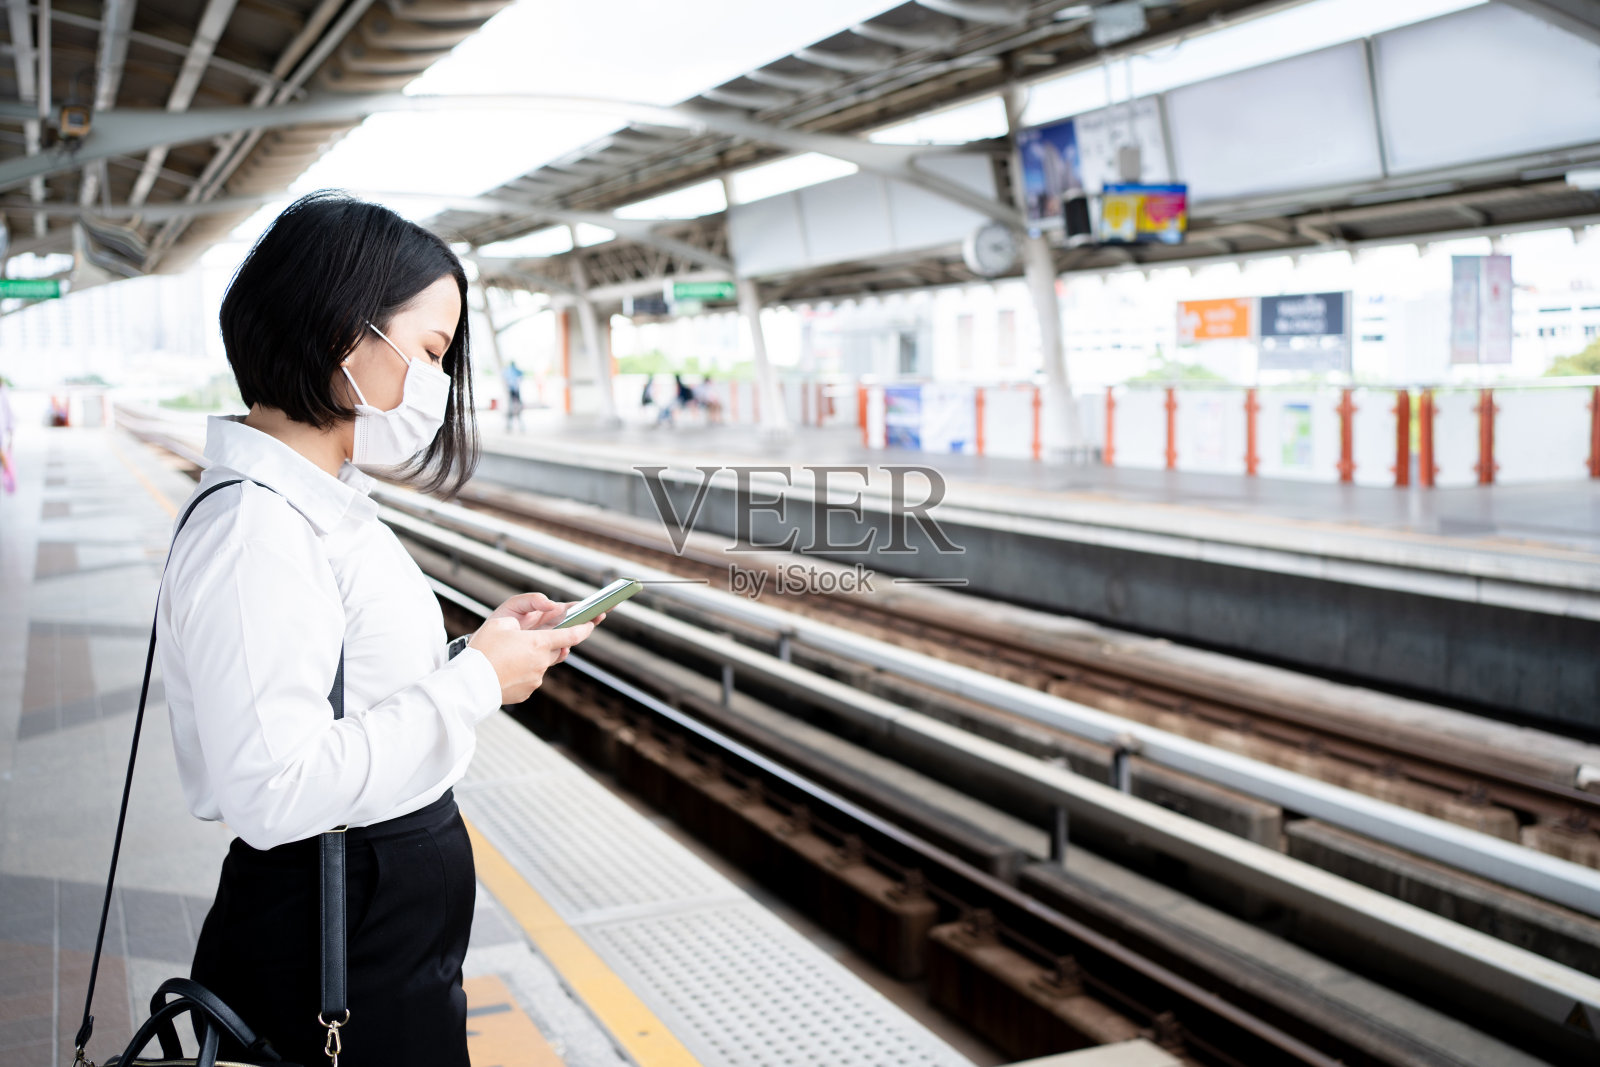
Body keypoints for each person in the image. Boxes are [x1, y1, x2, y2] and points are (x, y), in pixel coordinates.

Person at [158, 192, 604, 1067]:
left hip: (374, 921)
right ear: (343, 335)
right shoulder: (257, 531)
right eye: (430, 352)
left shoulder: (317, 507)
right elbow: (272, 786)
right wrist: (476, 683)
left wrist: (474, 653)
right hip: (336, 932)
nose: (434, 387)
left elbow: (337, 684)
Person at [0, 375, 15, 494]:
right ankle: (8, 474)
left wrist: (11, 431)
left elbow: (8, 409)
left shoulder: (2, 389)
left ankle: (8, 475)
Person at [502, 359, 524, 432]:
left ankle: (511, 424)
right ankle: (512, 423)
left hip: (512, 390)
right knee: (515, 406)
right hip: (514, 390)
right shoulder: (514, 370)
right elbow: (521, 375)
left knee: (512, 406)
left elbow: (504, 378)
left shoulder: (508, 371)